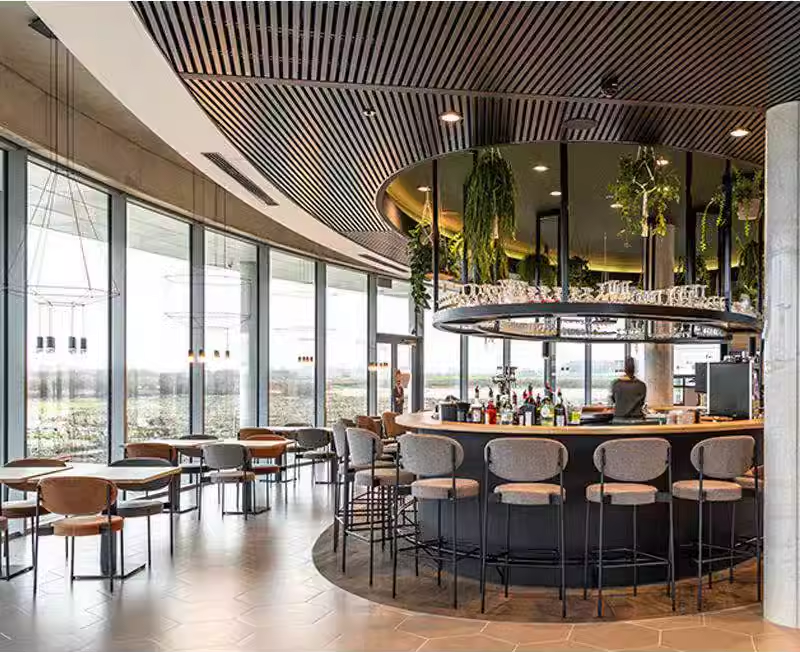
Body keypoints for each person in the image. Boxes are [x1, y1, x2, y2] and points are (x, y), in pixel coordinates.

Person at [609, 356, 647, 421]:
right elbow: (642, 403)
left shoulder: (616, 384)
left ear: (625, 369)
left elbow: (614, 401)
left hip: (619, 420)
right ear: (634, 369)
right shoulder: (642, 385)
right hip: (637, 420)